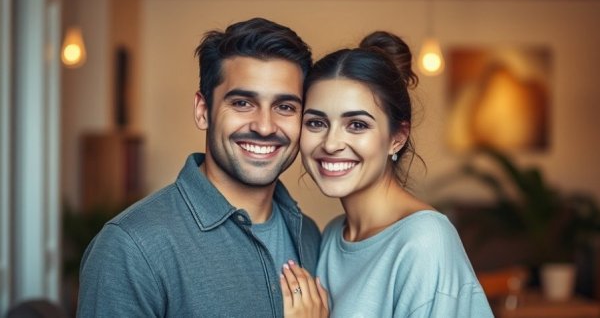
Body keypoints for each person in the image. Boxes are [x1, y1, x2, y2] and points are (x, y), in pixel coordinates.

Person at [77, 17, 324, 317]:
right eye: (242, 103)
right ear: (203, 111)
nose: (264, 126)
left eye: (285, 107)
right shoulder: (130, 247)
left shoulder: (308, 234)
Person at [299, 31, 494, 317]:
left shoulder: (424, 240)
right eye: (316, 122)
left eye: (356, 125)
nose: (330, 143)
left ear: (397, 137)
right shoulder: (331, 236)